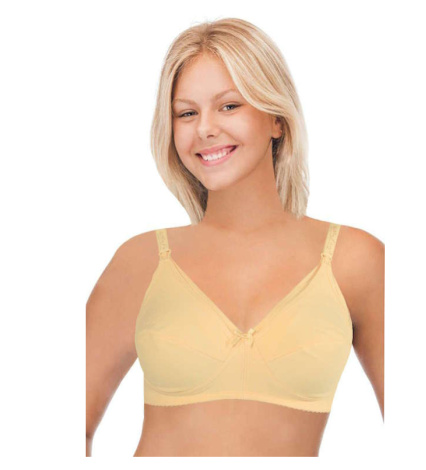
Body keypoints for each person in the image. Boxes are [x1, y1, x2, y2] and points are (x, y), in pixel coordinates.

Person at [86, 17, 384, 457]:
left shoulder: (354, 260)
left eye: (228, 106)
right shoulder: (141, 261)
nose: (205, 128)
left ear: (277, 119)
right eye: (187, 113)